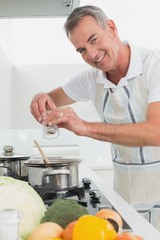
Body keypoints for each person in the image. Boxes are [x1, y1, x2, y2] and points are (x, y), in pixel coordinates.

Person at [30, 5, 160, 230]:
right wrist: (39, 98)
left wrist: (85, 127)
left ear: (111, 28)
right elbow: (50, 98)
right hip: (127, 197)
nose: (91, 54)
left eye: (93, 39)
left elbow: (156, 132)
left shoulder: (153, 65)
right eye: (81, 50)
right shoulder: (91, 79)